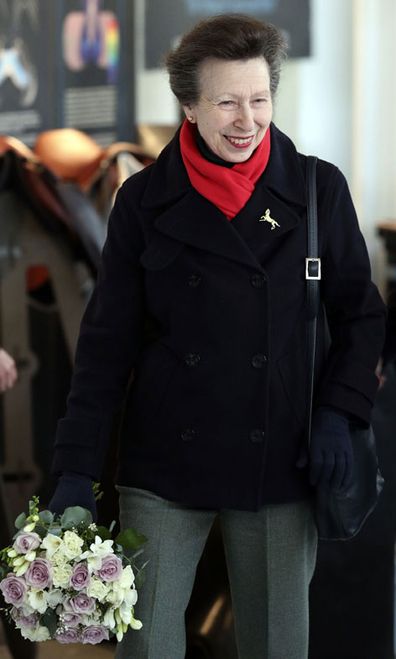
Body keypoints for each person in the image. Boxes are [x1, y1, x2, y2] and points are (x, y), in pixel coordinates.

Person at [49, 14, 386, 659]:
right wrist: (74, 469)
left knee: (277, 645)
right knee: (146, 646)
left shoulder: (317, 190)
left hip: (282, 456)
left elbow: (362, 318)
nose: (247, 120)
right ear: (189, 106)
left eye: (260, 100)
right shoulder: (144, 201)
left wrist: (339, 414)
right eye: (227, 102)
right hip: (164, 463)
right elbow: (104, 348)